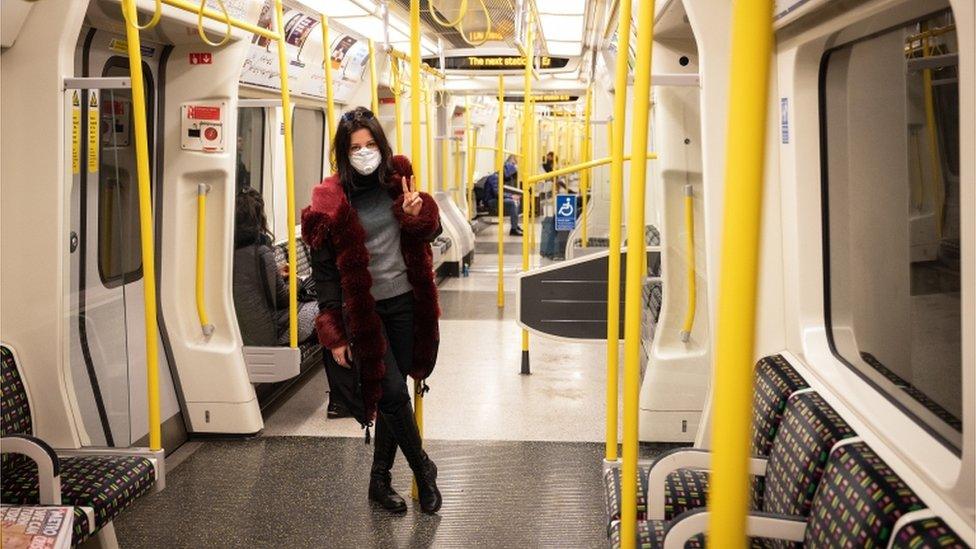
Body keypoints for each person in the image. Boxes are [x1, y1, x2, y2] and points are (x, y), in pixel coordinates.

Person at [302, 106, 443, 514]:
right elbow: (325, 273)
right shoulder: (328, 201)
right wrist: (334, 332)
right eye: (355, 148)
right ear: (342, 155)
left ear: (381, 146)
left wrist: (419, 216)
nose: (364, 153)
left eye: (370, 145)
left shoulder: (399, 184)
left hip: (405, 303)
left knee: (389, 396)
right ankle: (423, 469)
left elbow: (431, 232)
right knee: (394, 392)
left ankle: (379, 482)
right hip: (364, 314)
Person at [484, 155, 522, 236]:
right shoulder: (495, 177)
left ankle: (515, 225)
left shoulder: (500, 177)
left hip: (495, 199)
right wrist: (511, 196)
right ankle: (513, 229)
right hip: (491, 201)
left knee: (516, 201)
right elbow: (497, 193)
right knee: (513, 202)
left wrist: (512, 196)